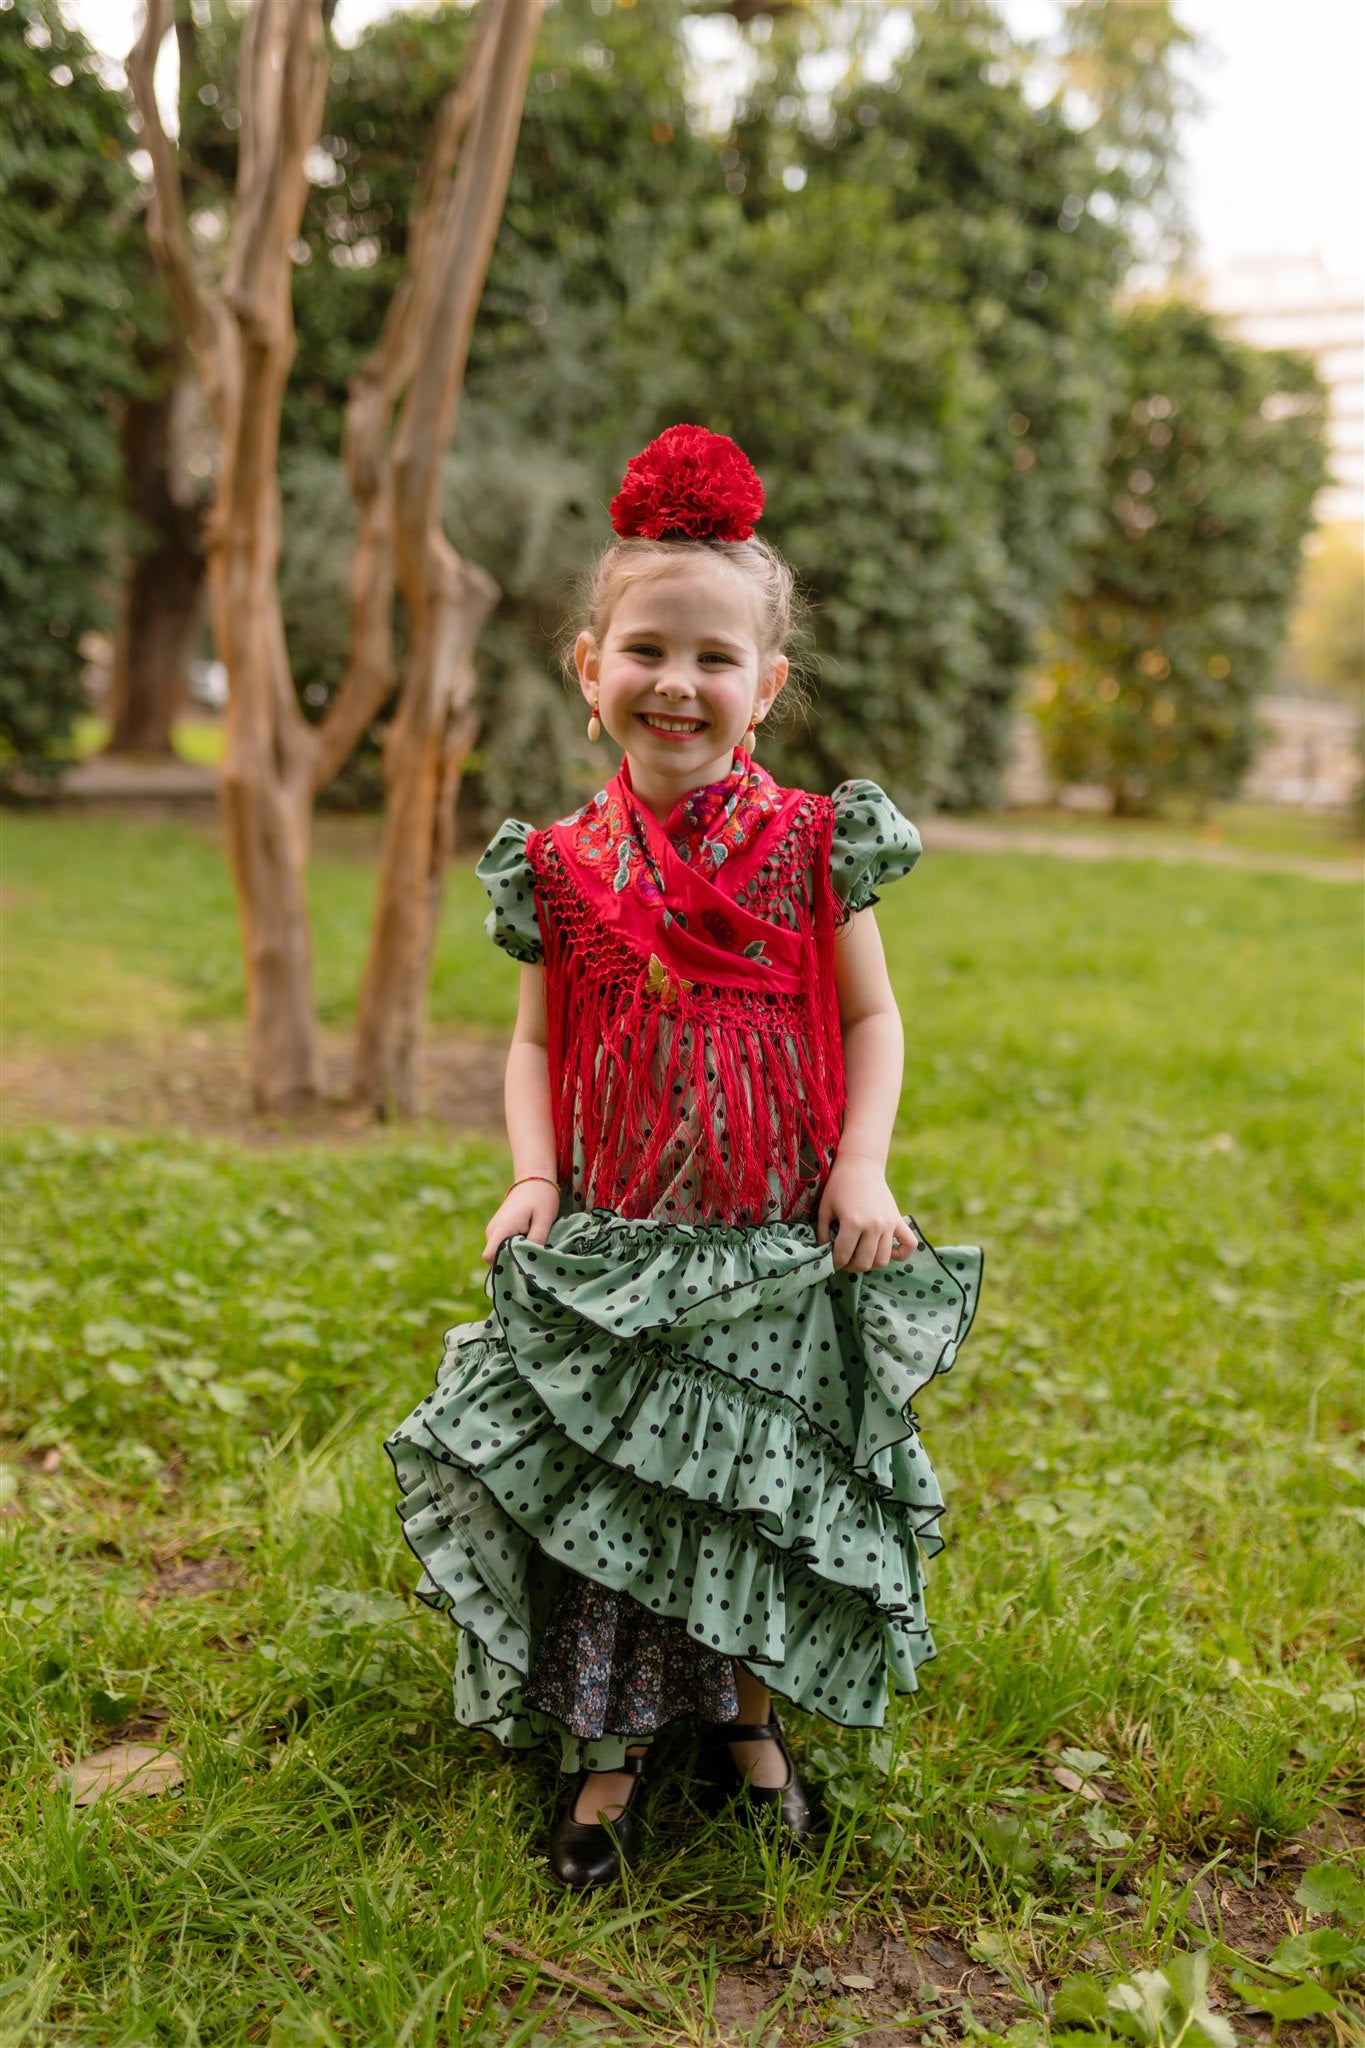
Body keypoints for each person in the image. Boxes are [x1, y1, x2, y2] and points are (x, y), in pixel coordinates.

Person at [384, 424, 980, 1889]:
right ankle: (605, 1756)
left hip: (772, 1241)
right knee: (619, 1496)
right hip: (623, 1242)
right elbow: (533, 1043)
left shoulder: (813, 844)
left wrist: (861, 1167)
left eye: (715, 659)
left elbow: (874, 1016)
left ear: (763, 688)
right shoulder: (563, 870)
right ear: (589, 671)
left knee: (757, 1488)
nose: (678, 682)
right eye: (646, 648)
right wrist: (533, 1175)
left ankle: (750, 1724)